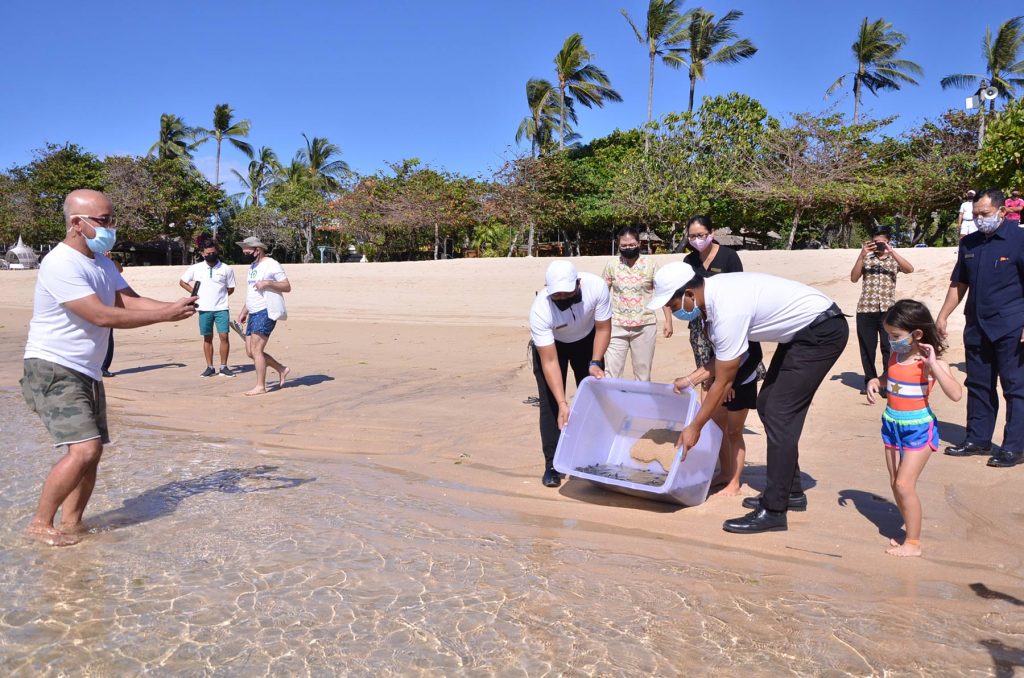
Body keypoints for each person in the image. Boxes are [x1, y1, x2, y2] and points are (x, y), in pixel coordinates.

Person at [20, 189, 197, 546]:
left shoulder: (100, 262)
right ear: (76, 223)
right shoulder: (60, 263)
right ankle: (40, 523)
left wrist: (176, 307)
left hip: (86, 369)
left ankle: (72, 523)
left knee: (92, 454)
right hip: (53, 366)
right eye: (103, 221)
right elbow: (100, 315)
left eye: (112, 219)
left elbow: (127, 301)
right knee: (84, 449)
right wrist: (164, 316)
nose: (111, 227)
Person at [648, 262, 849, 533]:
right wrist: (691, 380)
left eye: (672, 305)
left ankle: (774, 510)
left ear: (689, 294)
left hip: (821, 332)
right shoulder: (713, 297)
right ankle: (790, 491)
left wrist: (695, 426)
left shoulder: (728, 309)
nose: (672, 311)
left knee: (778, 412)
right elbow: (727, 358)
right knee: (767, 404)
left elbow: (724, 380)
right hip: (801, 333)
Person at [865, 300, 962, 557]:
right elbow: (891, 379)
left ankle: (913, 543)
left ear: (917, 334)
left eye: (896, 336)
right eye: (888, 335)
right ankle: (910, 527)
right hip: (891, 424)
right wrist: (876, 381)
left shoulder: (931, 364)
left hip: (919, 428)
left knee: (904, 484)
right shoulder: (895, 356)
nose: (891, 341)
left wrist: (934, 365)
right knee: (895, 483)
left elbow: (956, 394)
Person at [937, 188, 1024, 468]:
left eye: (984, 214)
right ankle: (977, 439)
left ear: (1002, 211)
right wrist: (942, 316)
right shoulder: (969, 243)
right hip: (976, 325)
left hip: (1011, 326)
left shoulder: (1019, 240)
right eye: (975, 214)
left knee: (1015, 387)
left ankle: (1015, 447)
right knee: (978, 385)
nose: (979, 219)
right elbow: (959, 283)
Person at [530, 260, 611, 487]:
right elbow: (549, 361)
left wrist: (595, 361)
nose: (563, 298)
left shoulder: (596, 287)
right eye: (557, 295)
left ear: (578, 283)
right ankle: (552, 465)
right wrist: (562, 402)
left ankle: (594, 458)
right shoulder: (540, 309)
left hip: (587, 342)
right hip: (553, 347)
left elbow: (603, 328)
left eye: (568, 293)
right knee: (551, 405)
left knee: (594, 400)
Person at [673, 341, 762, 497]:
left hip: (742, 384)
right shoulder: (710, 327)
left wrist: (733, 383)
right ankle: (725, 473)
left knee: (734, 432)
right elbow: (718, 353)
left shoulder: (742, 327)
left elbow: (755, 356)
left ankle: (734, 483)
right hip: (722, 380)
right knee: (718, 429)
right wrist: (711, 378)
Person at [850, 226, 914, 393]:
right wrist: (861, 255)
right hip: (865, 308)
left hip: (888, 311)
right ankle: (870, 381)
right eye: (875, 242)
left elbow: (909, 269)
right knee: (867, 348)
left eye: (882, 242)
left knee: (889, 347)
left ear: (888, 242)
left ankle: (886, 382)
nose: (878, 245)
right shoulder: (866, 258)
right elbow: (854, 278)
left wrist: (892, 252)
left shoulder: (893, 259)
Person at [601, 227, 671, 380]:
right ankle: (612, 397)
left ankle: (641, 397)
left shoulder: (651, 264)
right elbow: (602, 294)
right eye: (624, 245)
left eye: (632, 244)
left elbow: (662, 293)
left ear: (639, 243)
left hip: (645, 326)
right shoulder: (612, 265)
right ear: (618, 245)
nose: (628, 248)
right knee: (611, 373)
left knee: (643, 374)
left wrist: (668, 320)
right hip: (616, 326)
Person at [236, 236, 291, 396]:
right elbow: (252, 292)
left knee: (257, 349)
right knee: (250, 352)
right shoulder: (253, 266)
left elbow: (287, 286)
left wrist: (268, 283)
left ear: (257, 250)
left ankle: (260, 386)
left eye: (246, 251)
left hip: (266, 310)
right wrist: (244, 311)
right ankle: (281, 369)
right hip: (253, 312)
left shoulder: (272, 264)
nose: (244, 253)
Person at [180, 241, 237, 377]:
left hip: (221, 308)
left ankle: (223, 367)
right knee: (207, 337)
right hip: (204, 308)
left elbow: (231, 288)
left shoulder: (226, 269)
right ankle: (210, 367)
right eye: (208, 253)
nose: (211, 255)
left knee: (224, 336)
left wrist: (220, 296)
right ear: (202, 253)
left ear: (217, 252)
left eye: (213, 252)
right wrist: (195, 293)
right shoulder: (196, 268)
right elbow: (182, 282)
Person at [100, 251, 123, 378]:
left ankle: (104, 367)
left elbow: (120, 269)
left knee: (108, 337)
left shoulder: (109, 263)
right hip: (93, 305)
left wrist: (109, 260)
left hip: (108, 305)